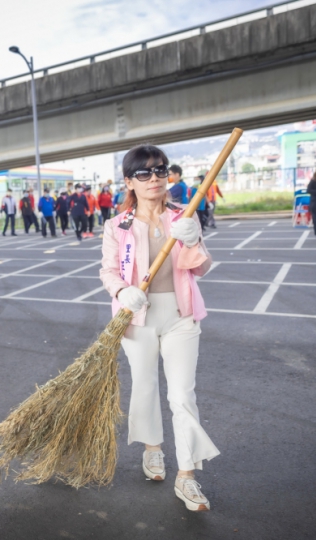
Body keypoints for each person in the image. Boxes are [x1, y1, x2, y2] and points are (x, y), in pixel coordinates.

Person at [100, 144, 219, 513]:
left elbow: (201, 268)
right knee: (145, 386)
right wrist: (123, 290)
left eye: (160, 171)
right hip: (137, 316)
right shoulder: (117, 225)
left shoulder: (183, 216)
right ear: (129, 182)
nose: (154, 178)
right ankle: (153, 448)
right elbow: (108, 271)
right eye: (144, 173)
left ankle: (187, 476)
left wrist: (192, 239)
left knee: (182, 395)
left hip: (181, 314)